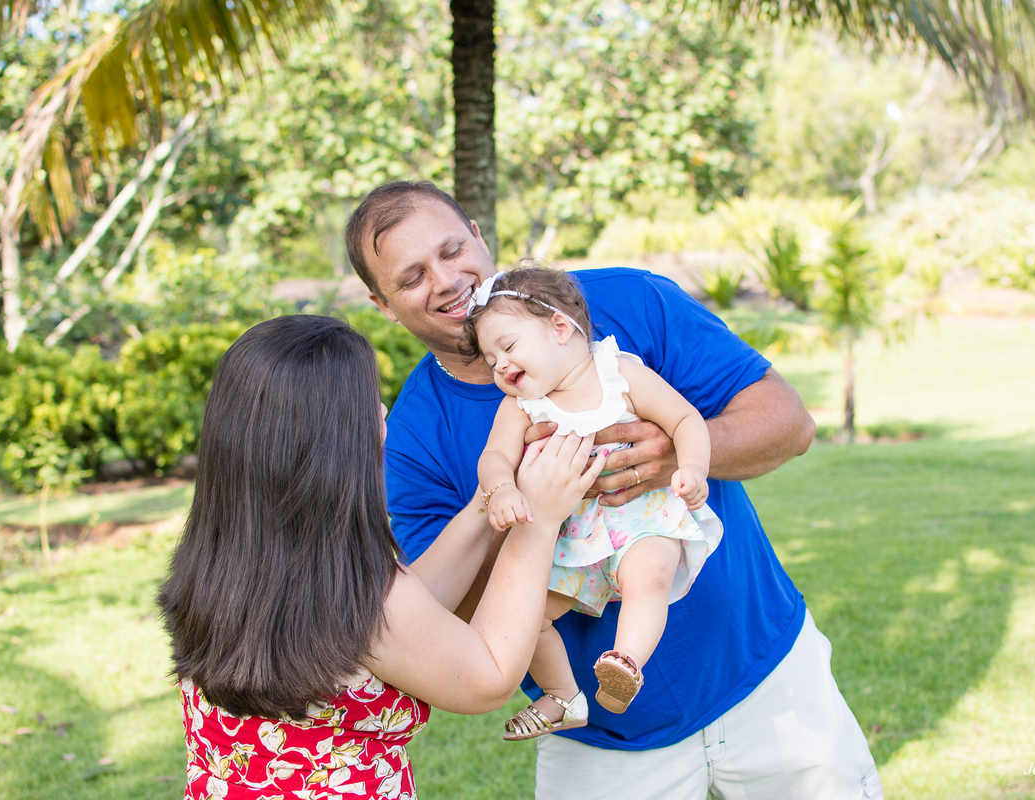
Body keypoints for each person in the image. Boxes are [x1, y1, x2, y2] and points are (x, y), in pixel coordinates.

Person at [345, 181, 884, 800]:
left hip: (769, 678)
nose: (444, 280)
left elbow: (789, 424)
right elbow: (450, 620)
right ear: (381, 303)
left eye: (450, 250)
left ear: (476, 232)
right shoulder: (413, 437)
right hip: (600, 743)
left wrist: (674, 452)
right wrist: (528, 513)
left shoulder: (625, 302)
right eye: (411, 277)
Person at [158, 314, 607, 799]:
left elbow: (409, 617)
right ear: (330, 442)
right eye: (364, 404)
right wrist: (537, 520)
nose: (381, 409)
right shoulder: (368, 600)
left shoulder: (235, 560)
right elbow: (490, 677)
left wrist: (491, 497)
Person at [462, 267, 723, 739]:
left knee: (650, 576)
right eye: (490, 359)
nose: (499, 366)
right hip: (572, 536)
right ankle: (564, 696)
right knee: (530, 617)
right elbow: (494, 456)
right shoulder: (522, 407)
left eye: (508, 346)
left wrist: (693, 468)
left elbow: (685, 419)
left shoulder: (620, 375)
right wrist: (501, 489)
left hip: (641, 518)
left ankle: (625, 663)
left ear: (560, 328)